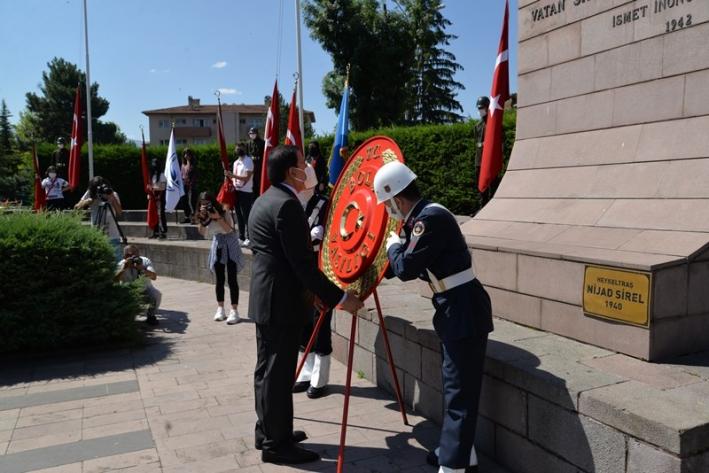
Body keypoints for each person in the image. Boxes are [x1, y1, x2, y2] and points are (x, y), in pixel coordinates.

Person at [373, 161, 493, 473]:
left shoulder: (429, 219)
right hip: (455, 306)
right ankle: (463, 455)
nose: (388, 212)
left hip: (462, 308)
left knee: (459, 390)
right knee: (457, 386)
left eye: (387, 205)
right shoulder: (421, 218)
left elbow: (406, 269)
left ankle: (452, 467)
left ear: (397, 200)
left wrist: (393, 249)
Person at [247, 144, 363, 464]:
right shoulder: (286, 206)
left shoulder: (263, 201)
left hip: (267, 299)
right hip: (280, 303)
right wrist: (340, 297)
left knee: (267, 371)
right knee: (279, 374)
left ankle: (269, 430)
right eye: (302, 164)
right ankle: (277, 444)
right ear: (291, 172)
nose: (308, 168)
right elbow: (303, 265)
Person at [292, 189, 332, 399]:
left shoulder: (325, 204)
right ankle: (306, 371)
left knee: (321, 320)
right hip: (301, 267)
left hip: (321, 266)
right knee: (303, 320)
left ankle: (320, 376)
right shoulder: (292, 202)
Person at [197, 192, 244, 325]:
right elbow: (203, 234)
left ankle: (234, 310)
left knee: (232, 278)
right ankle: (220, 308)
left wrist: (218, 217)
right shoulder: (203, 215)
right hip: (217, 244)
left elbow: (230, 230)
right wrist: (202, 219)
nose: (205, 206)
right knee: (219, 279)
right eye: (202, 204)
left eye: (207, 203)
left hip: (230, 243)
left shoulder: (223, 210)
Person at [75, 176, 124, 261]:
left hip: (113, 235)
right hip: (97, 235)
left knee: (117, 264)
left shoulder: (112, 193)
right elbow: (77, 207)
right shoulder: (90, 193)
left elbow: (119, 212)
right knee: (99, 262)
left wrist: (112, 198)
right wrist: (88, 201)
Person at [115, 245, 161, 326]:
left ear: (139, 255)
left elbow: (154, 277)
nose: (133, 258)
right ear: (124, 256)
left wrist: (142, 269)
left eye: (135, 255)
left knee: (156, 295)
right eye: (129, 255)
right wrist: (124, 268)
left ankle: (151, 316)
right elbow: (114, 280)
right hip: (128, 291)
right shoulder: (121, 264)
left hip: (145, 289)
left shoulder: (145, 261)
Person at [225, 143, 254, 247]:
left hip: (246, 192)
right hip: (236, 191)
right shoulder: (236, 162)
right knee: (239, 215)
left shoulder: (248, 161)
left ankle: (249, 237)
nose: (238, 150)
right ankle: (241, 237)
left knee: (246, 215)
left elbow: (247, 177)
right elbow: (234, 178)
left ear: (244, 149)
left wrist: (233, 175)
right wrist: (229, 178)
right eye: (236, 148)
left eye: (240, 148)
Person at [149, 158, 167, 239]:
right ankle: (155, 231)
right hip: (153, 197)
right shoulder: (153, 176)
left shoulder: (162, 175)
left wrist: (155, 191)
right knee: (154, 214)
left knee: (160, 214)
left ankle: (163, 232)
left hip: (160, 196)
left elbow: (163, 187)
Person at [179, 148, 198, 223]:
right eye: (185, 154)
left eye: (188, 154)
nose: (186, 156)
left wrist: (191, 184)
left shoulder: (193, 164)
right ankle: (187, 217)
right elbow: (181, 175)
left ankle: (194, 218)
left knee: (192, 202)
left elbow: (195, 176)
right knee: (184, 202)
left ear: (191, 155)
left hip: (191, 186)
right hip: (184, 186)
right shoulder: (183, 165)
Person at [246, 127, 265, 196]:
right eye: (250, 133)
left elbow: (264, 155)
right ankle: (252, 196)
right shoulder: (248, 143)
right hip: (251, 163)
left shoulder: (262, 142)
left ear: (257, 134)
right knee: (251, 181)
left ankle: (258, 195)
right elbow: (247, 154)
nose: (252, 135)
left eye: (253, 133)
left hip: (259, 164)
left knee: (258, 181)